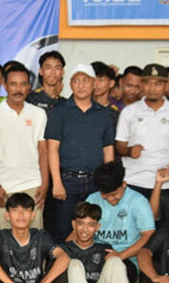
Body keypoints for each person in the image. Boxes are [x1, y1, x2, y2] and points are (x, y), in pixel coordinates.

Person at [46, 64, 115, 242]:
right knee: (63, 230)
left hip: (96, 181)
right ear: (70, 84)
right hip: (67, 181)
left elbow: (108, 149)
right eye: (76, 81)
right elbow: (52, 149)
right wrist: (57, 183)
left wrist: (108, 183)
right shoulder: (59, 111)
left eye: (85, 80)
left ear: (94, 84)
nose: (81, 85)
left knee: (95, 229)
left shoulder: (104, 114)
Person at [0, 62, 48, 231]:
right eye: (13, 84)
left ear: (29, 86)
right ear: (5, 86)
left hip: (33, 186)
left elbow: (43, 151)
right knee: (3, 240)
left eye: (23, 84)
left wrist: (45, 184)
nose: (18, 89)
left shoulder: (39, 114)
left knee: (35, 240)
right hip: (2, 189)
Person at [115, 64, 169, 199]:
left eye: (157, 84)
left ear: (166, 86)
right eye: (147, 83)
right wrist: (129, 151)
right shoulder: (129, 112)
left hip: (166, 182)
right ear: (142, 85)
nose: (152, 88)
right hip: (134, 181)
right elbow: (119, 145)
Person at [63, 202, 133, 283]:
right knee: (73, 263)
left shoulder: (104, 249)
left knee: (115, 260)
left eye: (91, 225)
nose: (85, 229)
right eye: (81, 224)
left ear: (97, 227)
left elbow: (118, 277)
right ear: (74, 224)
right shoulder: (63, 249)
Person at [84, 161, 155, 283]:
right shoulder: (92, 199)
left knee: (115, 275)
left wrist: (120, 255)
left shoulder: (138, 201)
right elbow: (80, 230)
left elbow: (147, 234)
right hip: (96, 255)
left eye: (114, 194)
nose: (110, 199)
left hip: (127, 258)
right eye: (105, 195)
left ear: (124, 184)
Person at [91, 61, 120, 127]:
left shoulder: (114, 113)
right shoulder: (82, 107)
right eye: (93, 80)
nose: (95, 84)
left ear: (111, 83)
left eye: (101, 80)